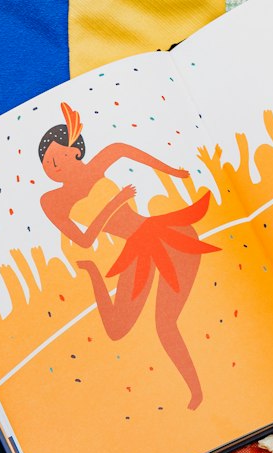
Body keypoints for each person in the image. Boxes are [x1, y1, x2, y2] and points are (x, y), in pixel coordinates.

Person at [38, 102, 219, 409]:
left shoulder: (99, 164)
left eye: (55, 158)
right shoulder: (51, 200)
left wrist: (173, 171)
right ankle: (95, 276)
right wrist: (115, 202)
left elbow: (123, 149)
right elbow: (84, 239)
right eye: (46, 164)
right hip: (136, 250)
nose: (51, 168)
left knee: (166, 322)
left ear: (75, 152)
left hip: (163, 235)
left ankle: (196, 393)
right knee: (116, 328)